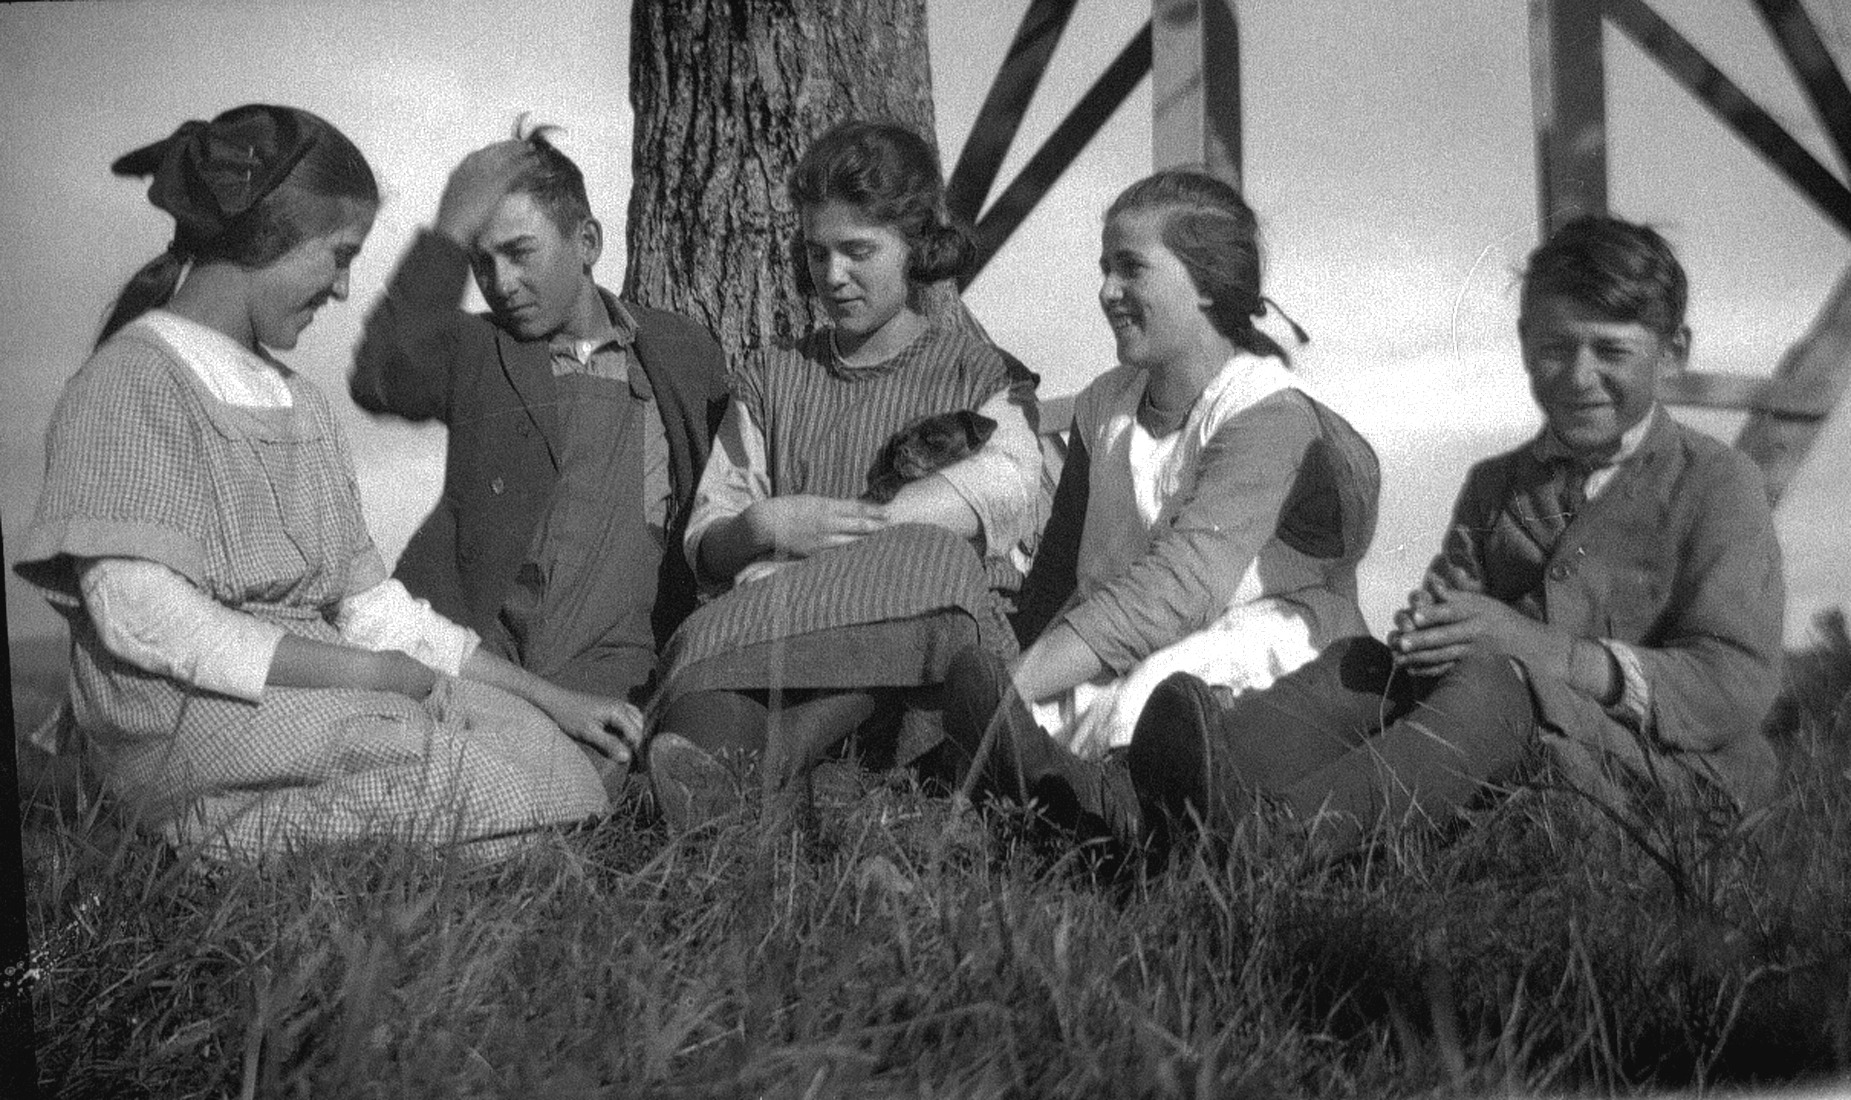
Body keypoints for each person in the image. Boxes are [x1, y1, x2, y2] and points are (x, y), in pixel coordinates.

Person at [16, 105, 626, 861]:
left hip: (310, 688)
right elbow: (144, 618)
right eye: (337, 256)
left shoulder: (297, 402)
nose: (341, 289)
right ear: (265, 243)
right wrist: (370, 677)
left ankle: (315, 836)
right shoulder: (133, 381)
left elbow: (373, 610)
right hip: (190, 707)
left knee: (545, 755)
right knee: (489, 781)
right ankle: (217, 845)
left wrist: (550, 700)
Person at [1129, 214, 1785, 859]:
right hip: (1501, 747)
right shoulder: (1499, 483)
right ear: (1526, 342)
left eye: (1611, 351)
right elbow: (1448, 631)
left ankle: (1269, 843)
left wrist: (1550, 654)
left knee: (1496, 678)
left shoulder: (1718, 484)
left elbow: (1732, 683)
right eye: (1555, 349)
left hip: (1666, 784)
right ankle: (1133, 804)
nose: (1579, 377)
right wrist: (1430, 631)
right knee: (1365, 664)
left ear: (1672, 352)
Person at [940, 169, 1380, 838]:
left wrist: (1018, 685)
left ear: (1207, 285)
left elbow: (1183, 588)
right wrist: (1011, 667)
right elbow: (1061, 564)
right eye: (1103, 269)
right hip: (1122, 633)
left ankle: (1102, 812)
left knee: (1163, 698)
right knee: (1068, 703)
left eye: (1130, 270)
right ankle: (1058, 803)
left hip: (1254, 642)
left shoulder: (1266, 412)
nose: (1106, 291)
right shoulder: (1104, 405)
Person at [644, 119, 1043, 828]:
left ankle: (789, 768)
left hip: (916, 672)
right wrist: (763, 524)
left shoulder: (976, 374)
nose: (832, 276)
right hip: (780, 634)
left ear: (915, 247)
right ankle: (768, 806)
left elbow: (1007, 495)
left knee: (931, 561)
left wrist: (858, 540)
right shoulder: (774, 377)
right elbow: (707, 538)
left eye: (859, 251)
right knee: (699, 704)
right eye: (816, 252)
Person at [349, 123, 729, 705]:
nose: (500, 284)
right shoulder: (477, 349)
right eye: (481, 262)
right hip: (474, 649)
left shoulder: (680, 352)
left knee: (578, 775)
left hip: (617, 661)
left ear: (588, 243)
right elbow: (383, 376)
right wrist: (447, 233)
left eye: (520, 253)